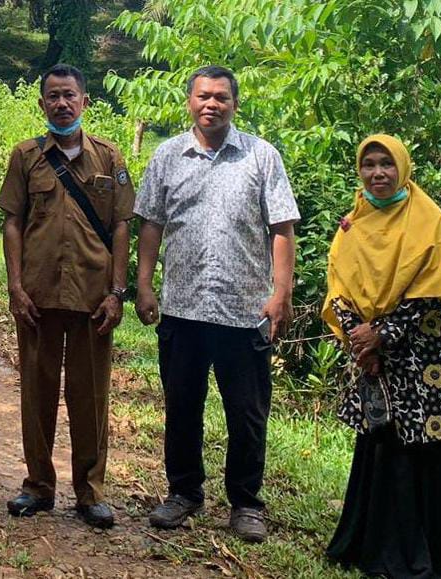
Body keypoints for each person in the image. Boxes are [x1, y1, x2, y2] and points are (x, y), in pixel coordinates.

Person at [134, 65, 299, 542]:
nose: (212, 104)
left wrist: (280, 294)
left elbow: (282, 228)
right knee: (182, 405)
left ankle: (246, 503)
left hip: (244, 310)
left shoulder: (261, 157)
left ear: (234, 104)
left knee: (246, 412)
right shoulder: (167, 156)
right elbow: (151, 225)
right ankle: (184, 493)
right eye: (204, 96)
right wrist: (144, 286)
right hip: (182, 308)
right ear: (189, 101)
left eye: (221, 97)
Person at [323, 134, 441, 578]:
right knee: (381, 441)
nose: (377, 173)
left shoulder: (430, 221)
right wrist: (359, 337)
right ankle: (371, 544)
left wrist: (383, 334)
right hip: (373, 358)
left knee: (423, 448)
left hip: (422, 358)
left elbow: (436, 291)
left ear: (403, 168)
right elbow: (339, 283)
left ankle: (425, 552)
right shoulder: (354, 222)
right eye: (369, 164)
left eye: (386, 165)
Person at [0, 64, 134, 529]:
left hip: (94, 299)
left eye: (69, 95)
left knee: (90, 397)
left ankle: (90, 491)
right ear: (41, 104)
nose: (61, 103)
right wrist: (15, 286)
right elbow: (12, 221)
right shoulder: (25, 156)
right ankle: (37, 486)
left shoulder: (109, 159)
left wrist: (118, 292)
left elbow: (121, 226)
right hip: (37, 295)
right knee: (37, 394)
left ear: (84, 101)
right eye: (52, 96)